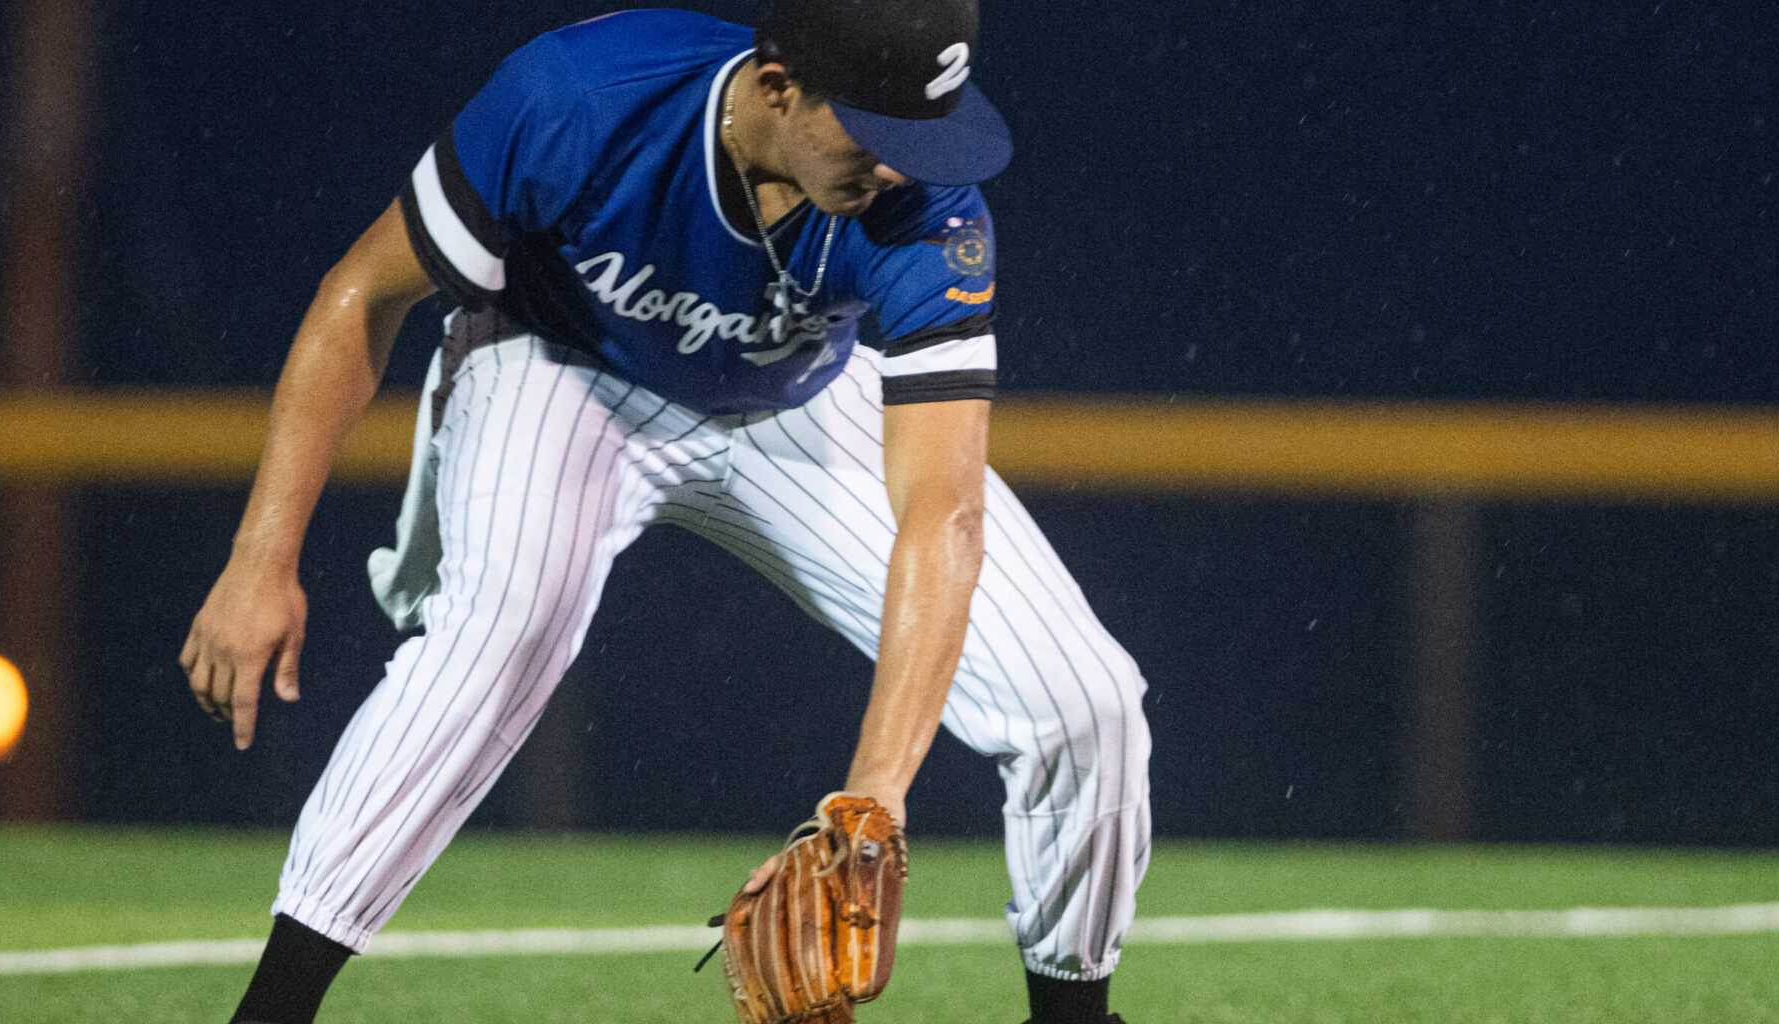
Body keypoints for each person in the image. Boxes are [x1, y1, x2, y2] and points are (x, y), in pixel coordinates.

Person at [179, 2, 1150, 1022]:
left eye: (929, 132)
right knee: (499, 633)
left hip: (790, 395)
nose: (908, 167)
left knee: (1085, 702)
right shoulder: (581, 98)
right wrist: (261, 557)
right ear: (778, 86)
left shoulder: (927, 211)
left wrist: (872, 797)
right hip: (561, 363)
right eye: (882, 131)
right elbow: (362, 297)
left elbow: (940, 517)